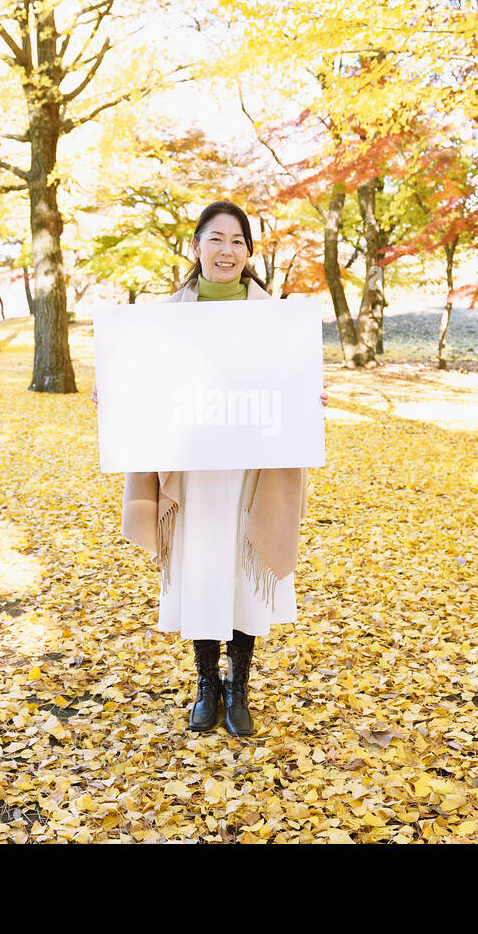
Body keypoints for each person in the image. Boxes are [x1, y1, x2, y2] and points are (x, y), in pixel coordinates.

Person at [94, 201, 327, 737]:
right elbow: (139, 382)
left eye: (238, 241)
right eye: (217, 239)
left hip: (250, 469)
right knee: (200, 569)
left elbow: (291, 383)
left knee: (244, 573)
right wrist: (115, 396)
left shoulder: (276, 320)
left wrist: (310, 395)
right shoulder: (163, 319)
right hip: (193, 470)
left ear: (249, 252)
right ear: (196, 246)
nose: (227, 250)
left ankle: (237, 686)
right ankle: (205, 684)